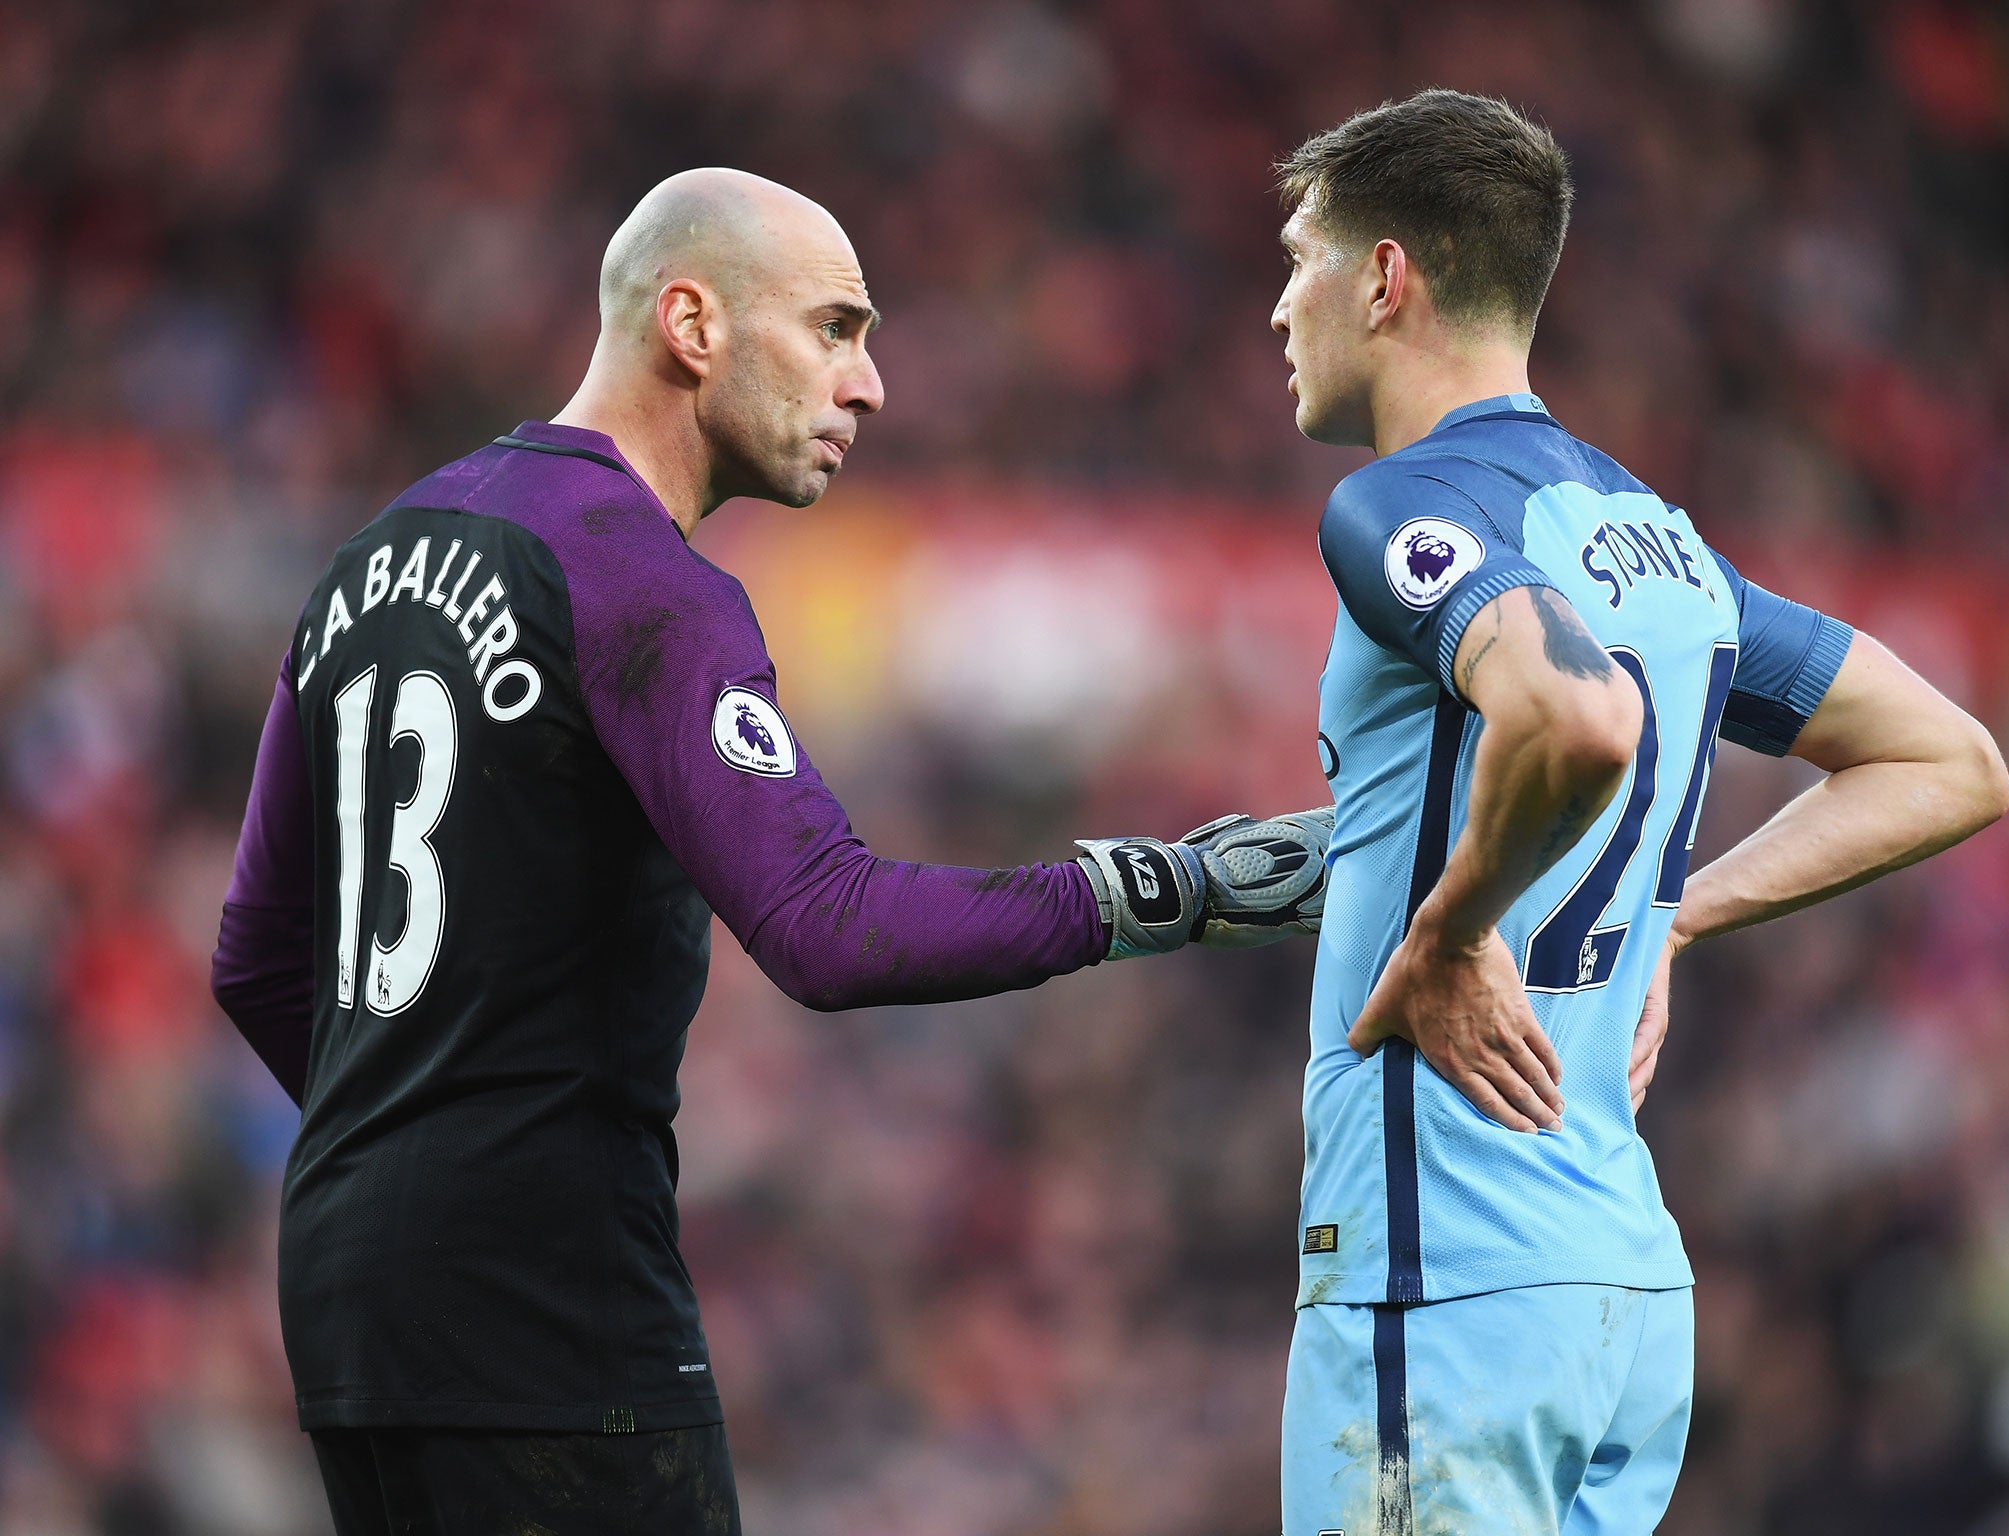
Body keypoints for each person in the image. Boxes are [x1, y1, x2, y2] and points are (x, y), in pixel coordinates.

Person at [209, 167, 1332, 1536]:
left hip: (346, 1297)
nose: (869, 387)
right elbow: (827, 926)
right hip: (547, 1298)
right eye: (836, 329)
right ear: (693, 324)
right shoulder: (638, 580)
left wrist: (410, 1150)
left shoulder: (366, 567)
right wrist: (1172, 888)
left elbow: (256, 960)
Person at [1268, 90, 2009, 1534]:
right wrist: (1676, 913)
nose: (1278, 309)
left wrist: (1447, 929)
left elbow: (1577, 715)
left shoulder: (1398, 504)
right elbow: (1951, 762)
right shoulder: (1657, 541)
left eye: (1298, 257)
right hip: (1617, 1291)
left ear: (1384, 276)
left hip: (1450, 1277)